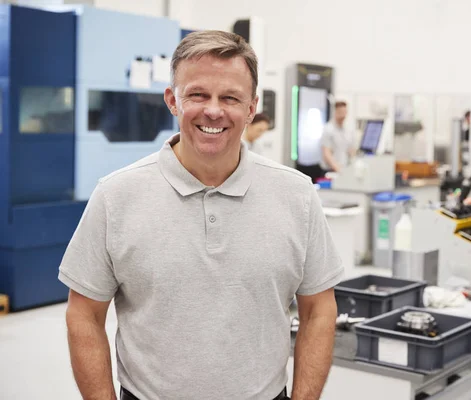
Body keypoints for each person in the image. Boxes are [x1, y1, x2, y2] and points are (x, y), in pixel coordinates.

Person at [59, 30, 343, 400]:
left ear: (252, 108)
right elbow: (84, 314)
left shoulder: (297, 195)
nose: (213, 110)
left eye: (230, 97)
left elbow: (320, 308)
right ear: (172, 101)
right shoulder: (116, 196)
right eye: (197, 94)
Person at [319, 101, 354, 173]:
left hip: (344, 168)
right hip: (331, 170)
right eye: (341, 112)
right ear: (335, 112)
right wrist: (338, 169)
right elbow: (326, 153)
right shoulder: (328, 129)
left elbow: (351, 150)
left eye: (345, 112)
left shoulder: (347, 130)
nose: (343, 115)